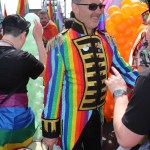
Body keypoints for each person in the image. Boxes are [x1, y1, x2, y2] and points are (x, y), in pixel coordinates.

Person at [41, 0, 139, 149]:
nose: (98, 11)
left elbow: (126, 72)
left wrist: (145, 83)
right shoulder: (60, 43)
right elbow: (52, 90)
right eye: (92, 6)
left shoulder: (106, 41)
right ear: (75, 8)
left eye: (100, 6)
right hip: (71, 123)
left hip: (97, 119)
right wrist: (50, 131)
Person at [0, 14, 46, 150]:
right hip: (15, 124)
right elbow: (45, 71)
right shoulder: (23, 58)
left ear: (3, 31)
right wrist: (39, 39)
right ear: (23, 35)